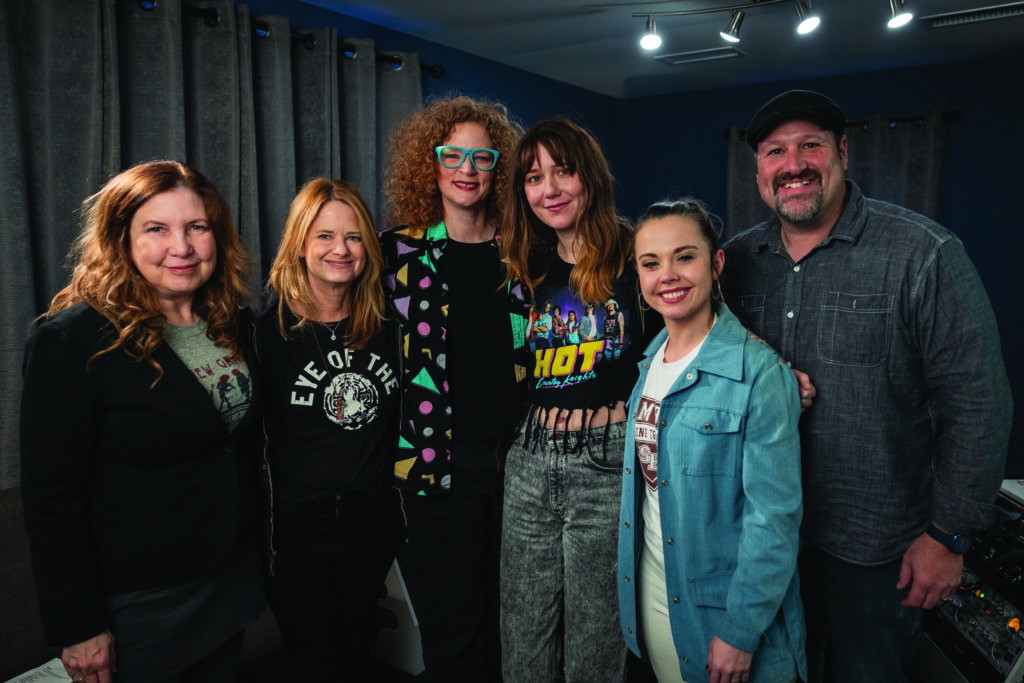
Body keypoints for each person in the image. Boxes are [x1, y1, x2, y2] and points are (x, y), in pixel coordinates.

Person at [723, 90, 1013, 682]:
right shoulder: (734, 262)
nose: (793, 164)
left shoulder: (923, 254)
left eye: (810, 145)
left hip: (876, 547)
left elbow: (979, 404)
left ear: (844, 152)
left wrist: (947, 537)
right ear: (758, 172)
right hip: (762, 536)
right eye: (775, 151)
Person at [20, 160, 264, 683]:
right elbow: (51, 499)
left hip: (228, 578)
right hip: (141, 602)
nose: (182, 246)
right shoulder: (73, 340)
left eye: (197, 227)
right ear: (121, 239)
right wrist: (78, 625)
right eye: (157, 228)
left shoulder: (231, 322)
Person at [618, 199, 806, 683]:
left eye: (685, 257)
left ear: (716, 263)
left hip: (723, 608)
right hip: (656, 590)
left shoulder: (759, 375)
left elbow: (775, 521)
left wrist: (741, 631)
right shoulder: (647, 366)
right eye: (651, 263)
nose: (669, 276)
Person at [380, 96, 528, 682]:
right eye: (453, 155)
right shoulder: (397, 253)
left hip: (524, 460)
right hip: (435, 463)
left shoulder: (524, 252)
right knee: (452, 618)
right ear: (430, 163)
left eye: (482, 157)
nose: (467, 168)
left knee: (516, 612)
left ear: (499, 169)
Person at [500, 117, 649, 682]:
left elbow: (699, 327)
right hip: (530, 458)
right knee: (523, 632)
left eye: (563, 171)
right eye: (535, 177)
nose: (550, 189)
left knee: (596, 636)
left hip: (606, 462)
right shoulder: (521, 262)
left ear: (589, 175)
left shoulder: (638, 252)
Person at [253, 178, 404, 681]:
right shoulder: (265, 337)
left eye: (354, 236)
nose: (341, 249)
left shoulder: (391, 328)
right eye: (324, 236)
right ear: (299, 243)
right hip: (295, 534)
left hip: (372, 524)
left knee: (358, 649)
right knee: (319, 660)